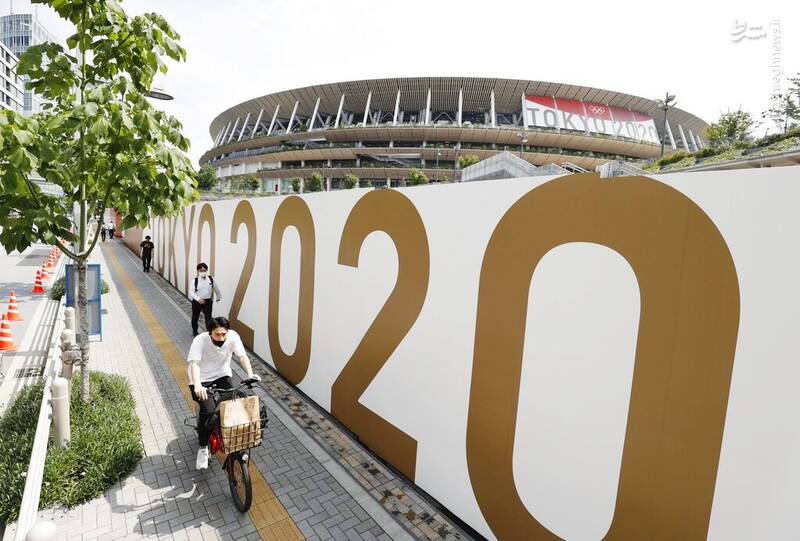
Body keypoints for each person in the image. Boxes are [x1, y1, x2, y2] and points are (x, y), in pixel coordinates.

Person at [187, 317, 260, 470]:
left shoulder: (233, 336)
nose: (221, 338)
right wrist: (198, 385)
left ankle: (229, 436)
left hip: (222, 375)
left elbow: (242, 357)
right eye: (217, 334)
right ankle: (202, 447)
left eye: (223, 334)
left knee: (234, 404)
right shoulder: (200, 340)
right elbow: (194, 364)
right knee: (209, 411)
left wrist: (250, 375)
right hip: (201, 379)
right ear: (210, 333)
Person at [191, 262, 221, 336]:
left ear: (206, 270)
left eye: (204, 270)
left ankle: (209, 333)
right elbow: (191, 292)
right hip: (197, 302)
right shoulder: (195, 280)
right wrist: (198, 299)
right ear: (198, 271)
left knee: (208, 318)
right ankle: (195, 331)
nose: (203, 272)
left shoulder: (211, 279)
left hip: (207, 302)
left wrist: (218, 297)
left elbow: (216, 289)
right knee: (195, 317)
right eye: (201, 270)